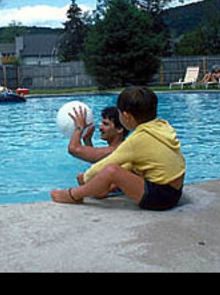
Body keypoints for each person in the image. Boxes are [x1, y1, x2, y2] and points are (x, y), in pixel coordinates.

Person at [51, 86, 186, 211]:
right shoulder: (162, 126)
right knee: (127, 165)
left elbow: (107, 163)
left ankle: (73, 195)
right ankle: (98, 188)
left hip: (161, 198)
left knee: (111, 170)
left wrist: (86, 178)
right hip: (175, 190)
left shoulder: (137, 140)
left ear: (126, 117)